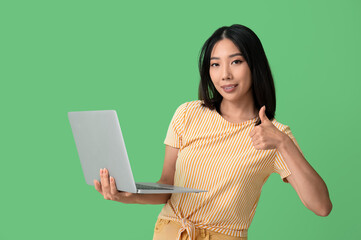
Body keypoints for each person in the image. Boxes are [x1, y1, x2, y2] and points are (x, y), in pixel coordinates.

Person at [93, 24, 333, 240]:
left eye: (236, 62)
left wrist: (283, 143)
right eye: (215, 64)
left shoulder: (273, 134)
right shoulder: (188, 113)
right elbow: (166, 187)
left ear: (254, 65)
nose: (225, 74)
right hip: (170, 233)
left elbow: (321, 206)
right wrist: (128, 194)